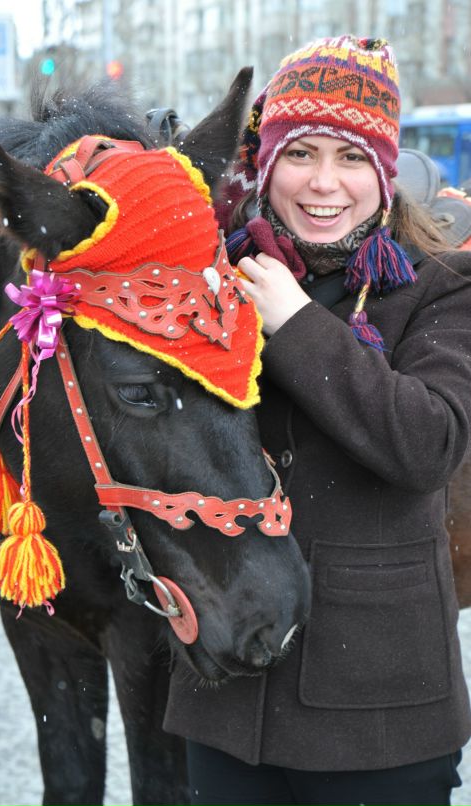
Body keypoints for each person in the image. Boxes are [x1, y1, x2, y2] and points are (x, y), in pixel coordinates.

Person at [162, 36, 471, 806]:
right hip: (229, 691)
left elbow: (427, 443)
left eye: (352, 158)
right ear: (266, 164)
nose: (324, 183)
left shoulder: (441, 288)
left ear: (385, 172)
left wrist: (294, 322)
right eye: (301, 154)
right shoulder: (215, 277)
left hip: (379, 711)